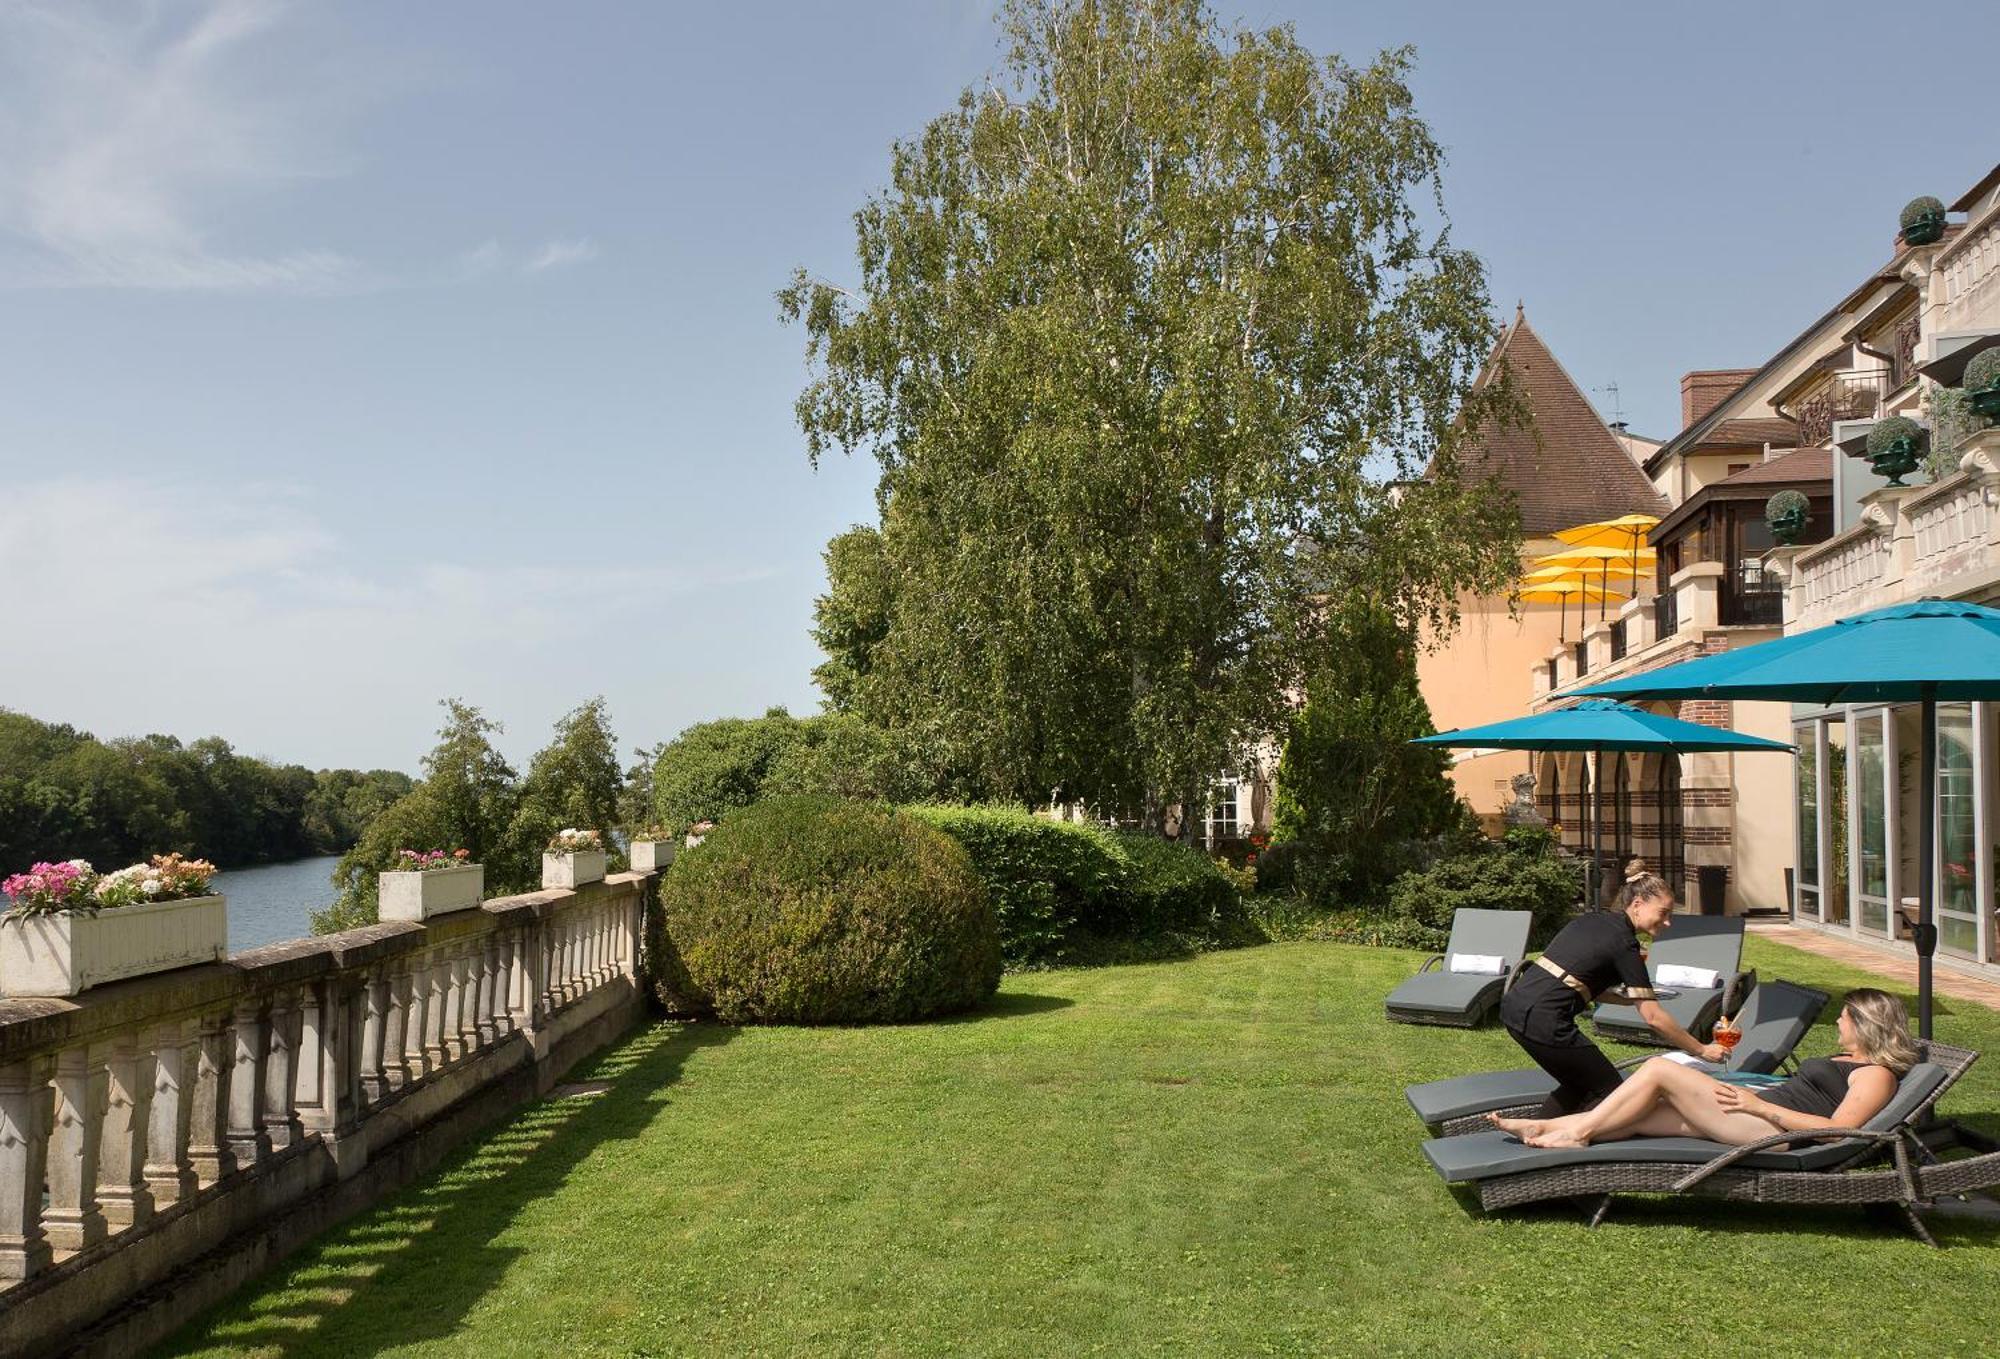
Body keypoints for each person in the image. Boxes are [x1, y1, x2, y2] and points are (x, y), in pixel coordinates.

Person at [1492, 988, 1916, 1149]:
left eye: (1844, 1017)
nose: (1838, 1023)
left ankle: (1577, 1134)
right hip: (1751, 1111)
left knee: (1659, 1070)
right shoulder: (1848, 1061)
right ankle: (1545, 1129)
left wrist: (1761, 1107)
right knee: (1642, 1113)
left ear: (1865, 1025)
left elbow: (1838, 1131)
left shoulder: (1875, 1073)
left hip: (1772, 1134)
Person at [1499, 874, 1726, 1117]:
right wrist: (1702, 1050)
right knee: (1610, 1092)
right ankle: (1560, 1138)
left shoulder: (1592, 920)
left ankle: (1534, 1132)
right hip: (1544, 1020)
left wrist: (1630, 1000)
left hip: (1515, 1006)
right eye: (1664, 912)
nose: (1668, 921)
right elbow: (1653, 1018)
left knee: (1582, 1084)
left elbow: (1576, 979)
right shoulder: (1625, 944)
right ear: (1637, 904)